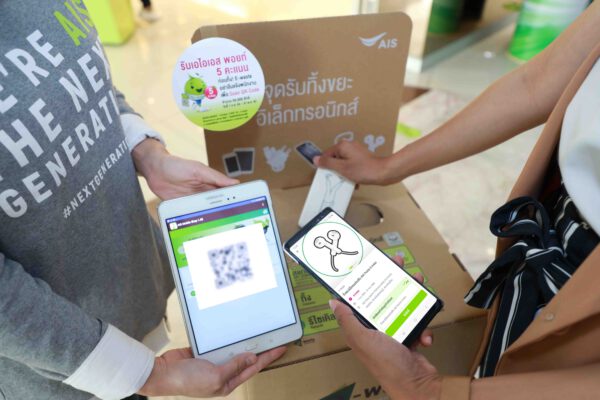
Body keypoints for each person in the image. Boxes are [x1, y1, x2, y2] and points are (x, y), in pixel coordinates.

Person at [315, 2, 600, 399]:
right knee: (500, 364)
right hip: (554, 231)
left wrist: (426, 391)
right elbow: (537, 82)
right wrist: (389, 167)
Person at [0, 2, 284, 399]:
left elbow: (83, 87)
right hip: (60, 365)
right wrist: (146, 375)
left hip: (130, 288)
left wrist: (148, 154)